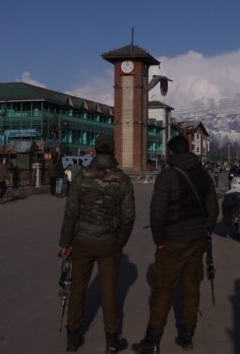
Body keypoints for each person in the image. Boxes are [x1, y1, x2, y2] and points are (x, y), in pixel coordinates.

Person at [132, 136, 218, 353]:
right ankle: (187, 336)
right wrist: (204, 230)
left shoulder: (167, 176)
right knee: (191, 288)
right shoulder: (203, 175)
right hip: (196, 241)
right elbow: (213, 210)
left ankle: (152, 341)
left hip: (172, 242)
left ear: (171, 152)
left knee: (162, 290)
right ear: (188, 149)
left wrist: (159, 240)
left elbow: (157, 213)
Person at [59, 134, 135, 353]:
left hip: (81, 241)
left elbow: (71, 212)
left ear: (94, 150)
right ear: (113, 150)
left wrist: (65, 242)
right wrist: (120, 240)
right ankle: (112, 341)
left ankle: (72, 338)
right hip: (109, 243)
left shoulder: (81, 176)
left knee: (77, 289)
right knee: (110, 292)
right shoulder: (122, 179)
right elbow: (128, 216)